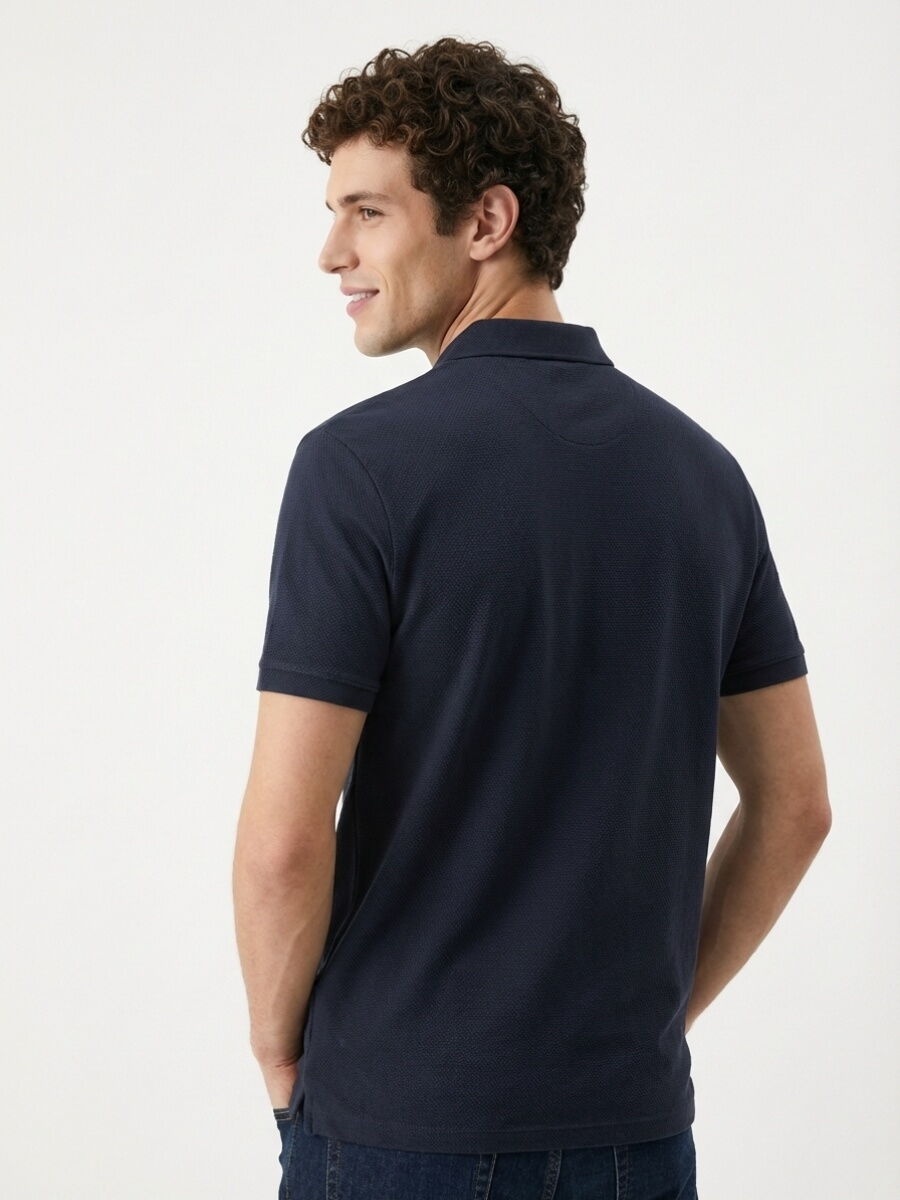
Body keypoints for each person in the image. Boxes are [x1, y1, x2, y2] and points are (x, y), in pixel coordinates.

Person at [232, 36, 831, 1200]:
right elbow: (797, 804)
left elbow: (284, 842)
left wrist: (277, 1056)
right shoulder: (703, 477)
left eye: (367, 211)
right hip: (633, 1133)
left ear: (487, 220)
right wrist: (651, 1023)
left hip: (399, 1125)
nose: (331, 253)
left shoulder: (358, 470)